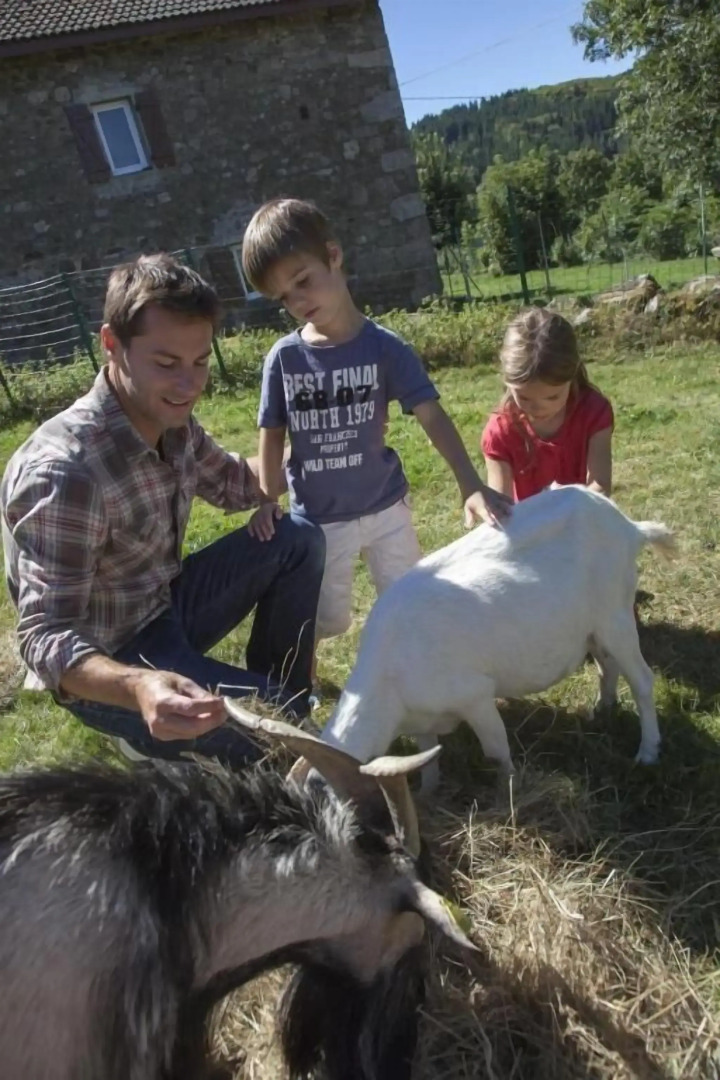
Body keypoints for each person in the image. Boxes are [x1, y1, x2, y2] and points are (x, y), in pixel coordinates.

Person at [1, 254, 326, 766]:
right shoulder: (65, 473)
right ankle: (171, 727)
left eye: (200, 362)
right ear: (112, 344)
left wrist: (327, 455)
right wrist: (140, 689)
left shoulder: (172, 422)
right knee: (281, 729)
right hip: (112, 662)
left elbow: (238, 482)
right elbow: (45, 640)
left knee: (298, 538)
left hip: (163, 606)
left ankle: (280, 701)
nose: (189, 385)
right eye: (167, 364)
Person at [240, 198, 511, 695]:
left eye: (303, 280)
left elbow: (431, 413)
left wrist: (470, 483)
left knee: (410, 598)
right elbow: (271, 431)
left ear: (334, 255)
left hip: (387, 509)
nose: (298, 300)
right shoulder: (283, 359)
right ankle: (304, 673)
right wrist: (266, 499)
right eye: (283, 297)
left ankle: (424, 678)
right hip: (319, 521)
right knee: (328, 617)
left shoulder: (386, 348)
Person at [481, 308, 613, 502]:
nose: (538, 408)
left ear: (573, 373)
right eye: (524, 398)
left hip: (582, 521)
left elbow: (600, 485)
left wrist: (559, 517)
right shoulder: (500, 432)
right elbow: (502, 506)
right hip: (529, 529)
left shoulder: (593, 413)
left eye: (552, 397)